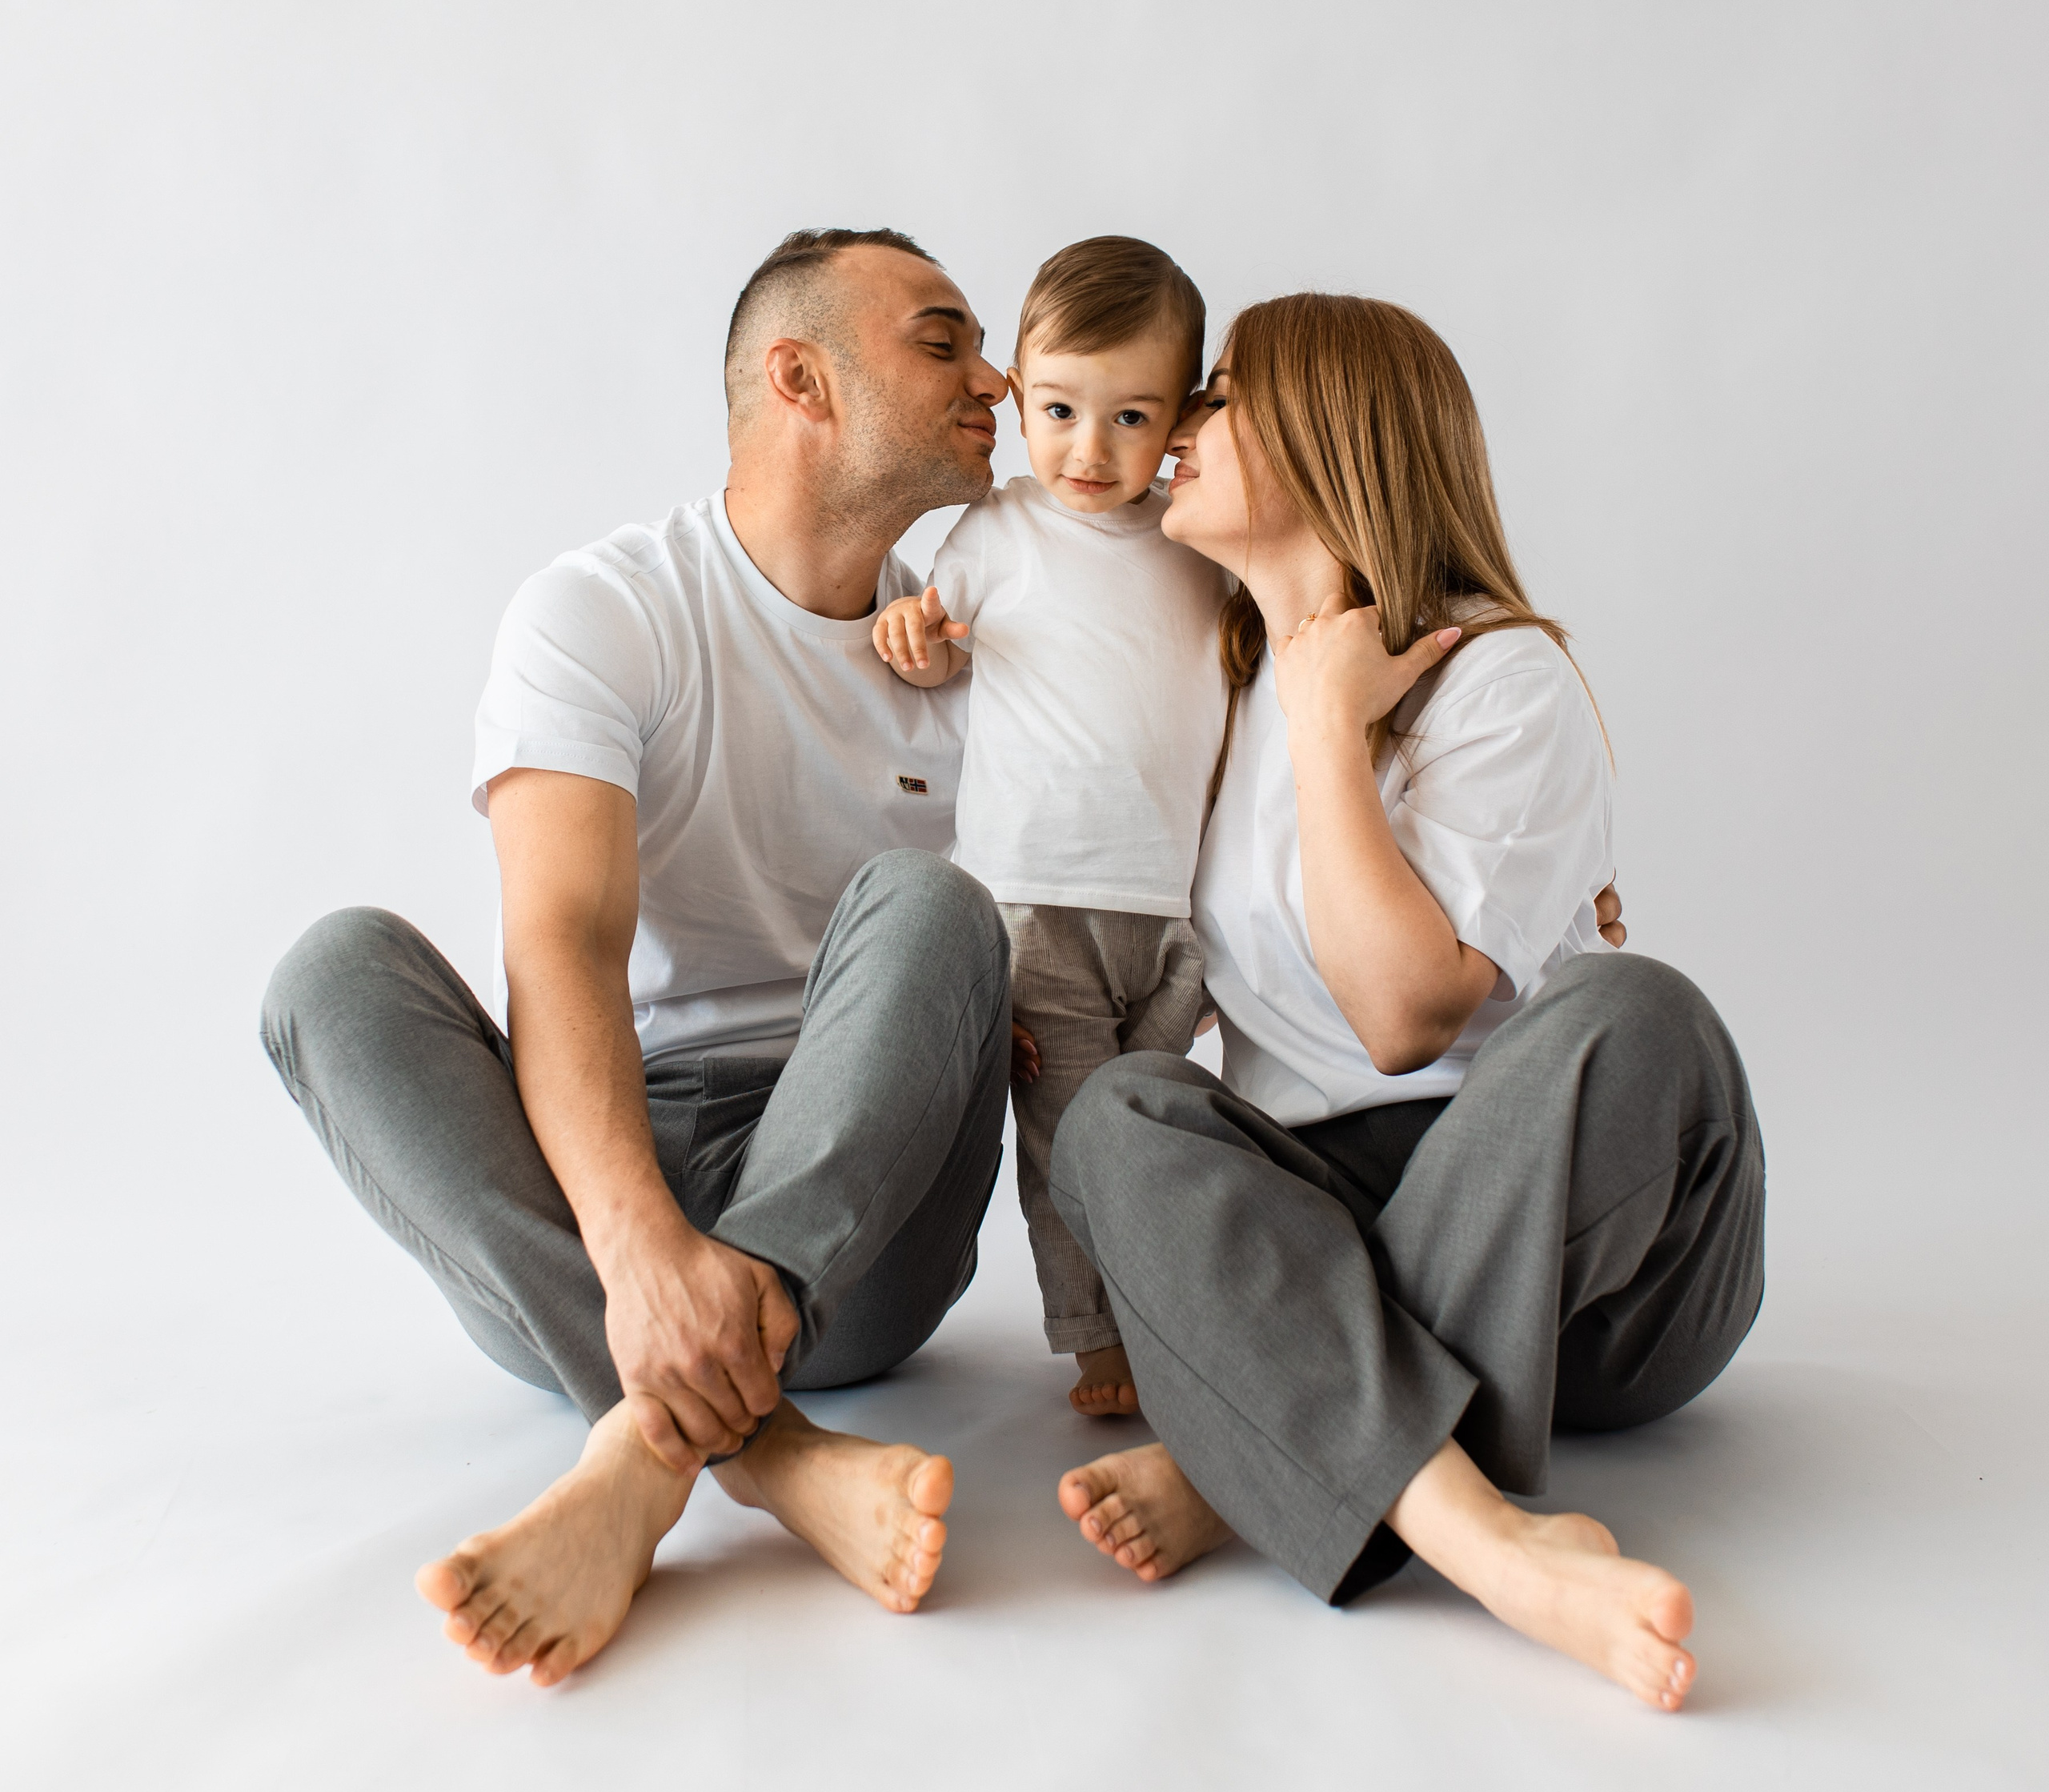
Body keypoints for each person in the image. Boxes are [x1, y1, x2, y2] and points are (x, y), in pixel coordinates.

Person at [260, 227, 1017, 1686]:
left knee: (933, 911)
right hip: (612, 1212)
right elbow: (564, 945)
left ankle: (653, 1441)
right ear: (801, 378)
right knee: (331, 971)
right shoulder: (604, 610)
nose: (993, 378)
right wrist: (642, 1255)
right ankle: (774, 1456)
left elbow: (1022, 967)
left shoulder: (991, 649)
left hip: (866, 1214)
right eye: (943, 341)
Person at [1047, 293, 1764, 1713]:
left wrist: (1328, 715)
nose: (1181, 426)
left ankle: (1265, 1450)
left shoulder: (1500, 676)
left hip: (1581, 1250)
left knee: (1640, 1009)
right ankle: (1483, 1534)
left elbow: (1402, 1020)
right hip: (1340, 1219)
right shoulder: (1213, 685)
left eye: (1224, 395)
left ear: (1330, 433)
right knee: (1116, 1117)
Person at [872, 235, 1227, 1418]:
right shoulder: (998, 536)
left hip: (1179, 913)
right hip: (1040, 904)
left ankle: (1182, 1317)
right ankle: (1097, 1339)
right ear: (1022, 391)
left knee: (1163, 1137)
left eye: (1130, 417)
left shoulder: (1202, 548)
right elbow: (930, 669)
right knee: (1070, 1138)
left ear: (1179, 419)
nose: (1089, 448)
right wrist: (918, 646)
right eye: (1064, 409)